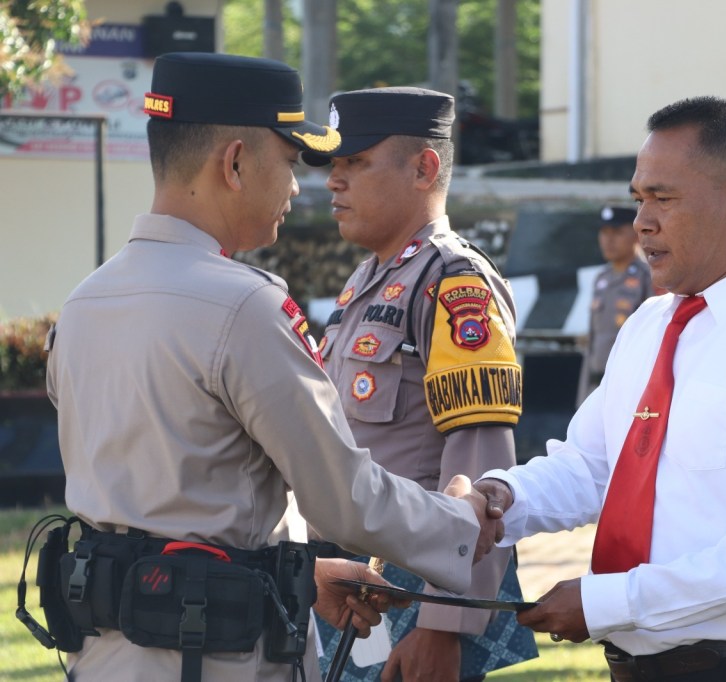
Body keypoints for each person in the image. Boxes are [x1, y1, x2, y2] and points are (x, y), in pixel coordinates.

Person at [43, 53, 502, 682]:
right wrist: (458, 521)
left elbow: (166, 502)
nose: (298, 186)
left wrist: (298, 574)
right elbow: (344, 500)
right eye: (289, 162)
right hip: (215, 658)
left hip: (106, 654)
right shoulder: (242, 304)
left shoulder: (85, 301)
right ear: (234, 163)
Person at [475, 96, 726, 682]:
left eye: (664, 198)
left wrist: (609, 601)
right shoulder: (650, 325)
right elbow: (592, 465)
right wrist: (502, 498)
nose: (641, 222)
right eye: (639, 199)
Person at [301, 87, 537, 682]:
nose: (335, 180)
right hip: (349, 583)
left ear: (424, 167)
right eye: (335, 164)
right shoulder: (369, 279)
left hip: (409, 586)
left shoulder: (454, 280)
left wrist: (443, 624)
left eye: (356, 162)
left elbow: (480, 462)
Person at [577, 204, 655, 405]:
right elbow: (594, 339)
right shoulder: (602, 278)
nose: (608, 240)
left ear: (636, 235)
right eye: (604, 232)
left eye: (617, 232)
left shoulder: (648, 276)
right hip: (596, 383)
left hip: (628, 387)